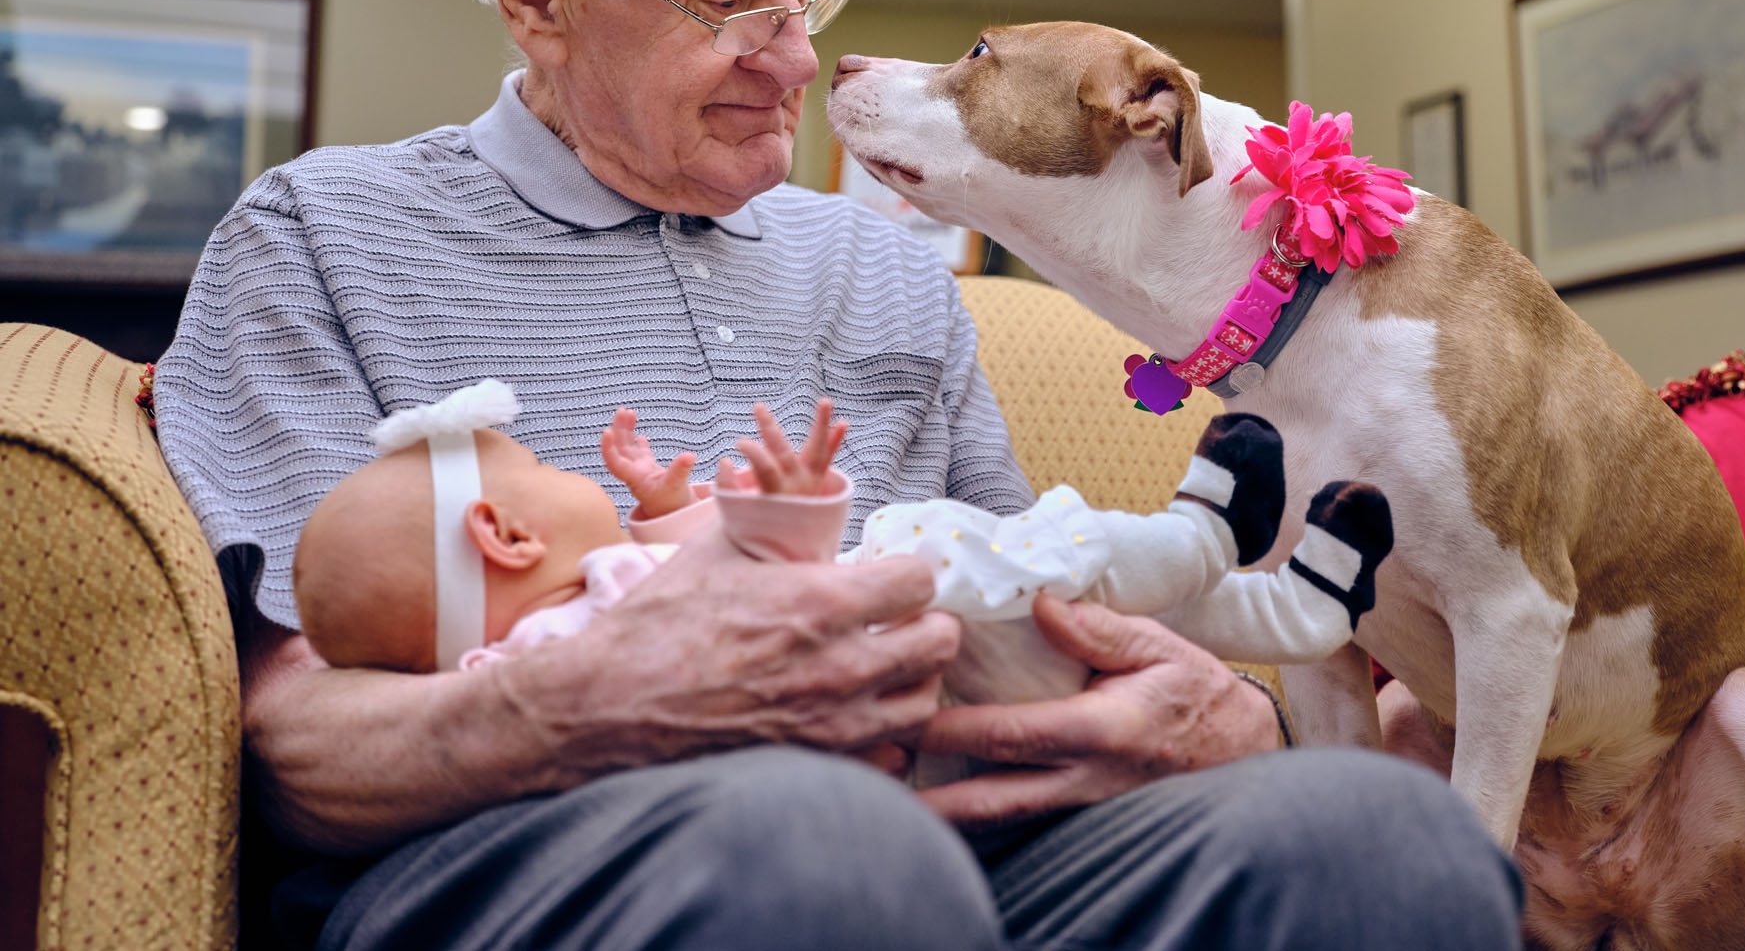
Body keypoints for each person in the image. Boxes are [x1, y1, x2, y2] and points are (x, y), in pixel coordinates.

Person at [153, 0, 1522, 951]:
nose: (800, 57)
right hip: (529, 855)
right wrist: (577, 703)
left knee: (1382, 833)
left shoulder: (876, 264)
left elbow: (1058, 597)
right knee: (826, 851)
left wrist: (1216, 710)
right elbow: (292, 741)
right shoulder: (322, 236)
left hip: (962, 834)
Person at [294, 379, 1393, 716]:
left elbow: (697, 573)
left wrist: (681, 509)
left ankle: (1297, 611)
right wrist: (780, 511)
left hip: (963, 658)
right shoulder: (550, 666)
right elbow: (760, 591)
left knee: (1102, 608)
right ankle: (1205, 533)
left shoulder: (578, 608)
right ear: (501, 531)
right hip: (939, 645)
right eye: (541, 468)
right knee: (1042, 562)